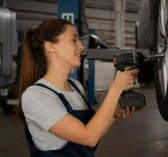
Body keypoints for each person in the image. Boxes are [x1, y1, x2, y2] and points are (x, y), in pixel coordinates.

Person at [13, 18, 142, 157]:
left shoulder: (75, 86)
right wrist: (116, 87)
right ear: (51, 47)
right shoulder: (36, 96)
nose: (81, 46)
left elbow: (91, 134)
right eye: (74, 40)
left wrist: (113, 115)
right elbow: (89, 137)